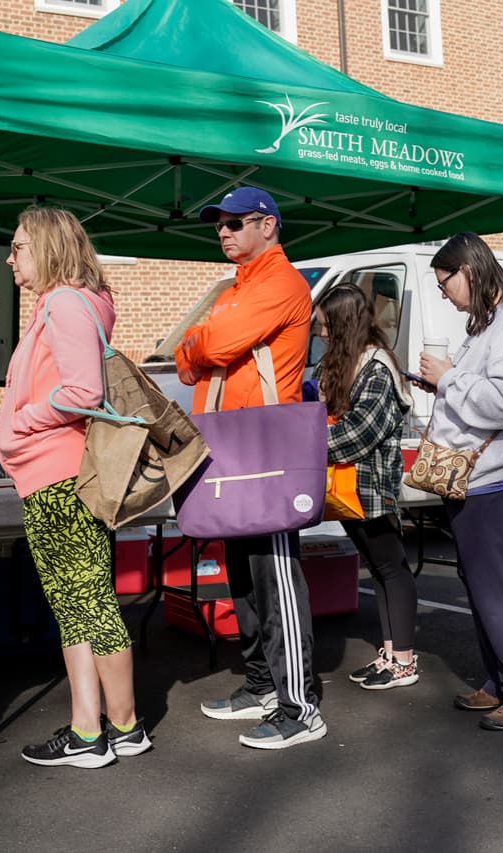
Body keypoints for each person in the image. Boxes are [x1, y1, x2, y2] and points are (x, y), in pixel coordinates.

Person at [0, 206, 150, 768]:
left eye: (18, 247)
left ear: (49, 247)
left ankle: (123, 727)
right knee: (75, 606)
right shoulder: (67, 302)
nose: (10, 259)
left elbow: (81, 393)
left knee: (89, 603)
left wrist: (18, 421)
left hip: (59, 477)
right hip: (55, 475)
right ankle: (89, 728)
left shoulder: (63, 303)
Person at [175, 187, 325, 749]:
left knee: (274, 573)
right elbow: (197, 351)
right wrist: (198, 347)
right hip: (236, 448)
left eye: (236, 223)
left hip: (265, 451)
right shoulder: (241, 286)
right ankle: (262, 684)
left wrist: (197, 346)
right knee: (242, 572)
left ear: (268, 225)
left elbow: (210, 345)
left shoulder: (280, 281)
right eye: (220, 224)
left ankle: (301, 707)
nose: (224, 231)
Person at [418, 232, 503, 731]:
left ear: (469, 272)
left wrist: (448, 379)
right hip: (490, 477)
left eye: (444, 281)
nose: (441, 292)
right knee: (486, 589)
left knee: (502, 590)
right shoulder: (494, 324)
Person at [314, 284, 419, 690]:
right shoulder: (351, 362)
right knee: (379, 568)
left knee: (391, 568)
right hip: (351, 486)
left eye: (325, 326)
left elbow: (361, 433)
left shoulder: (376, 368)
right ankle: (392, 654)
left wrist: (307, 449)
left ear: (343, 325)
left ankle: (405, 661)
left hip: (371, 486)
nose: (321, 333)